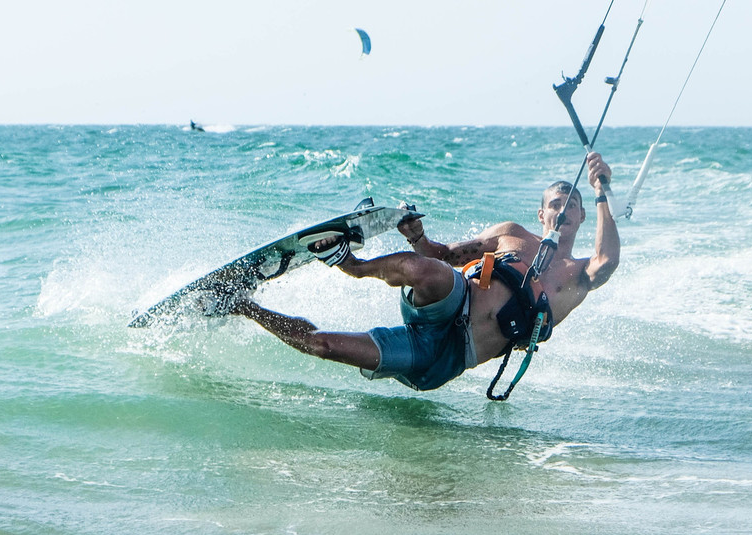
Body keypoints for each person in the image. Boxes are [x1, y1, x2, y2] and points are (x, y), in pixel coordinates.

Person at [229, 151, 620, 393]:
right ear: (542, 213)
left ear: (583, 215)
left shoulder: (578, 275)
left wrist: (601, 189)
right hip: (451, 300)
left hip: (444, 357)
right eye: (555, 204)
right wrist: (418, 236)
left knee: (324, 346)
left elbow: (608, 261)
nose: (563, 210)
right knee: (422, 267)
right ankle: (352, 264)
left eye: (572, 205)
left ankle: (240, 306)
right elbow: (441, 254)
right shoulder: (511, 235)